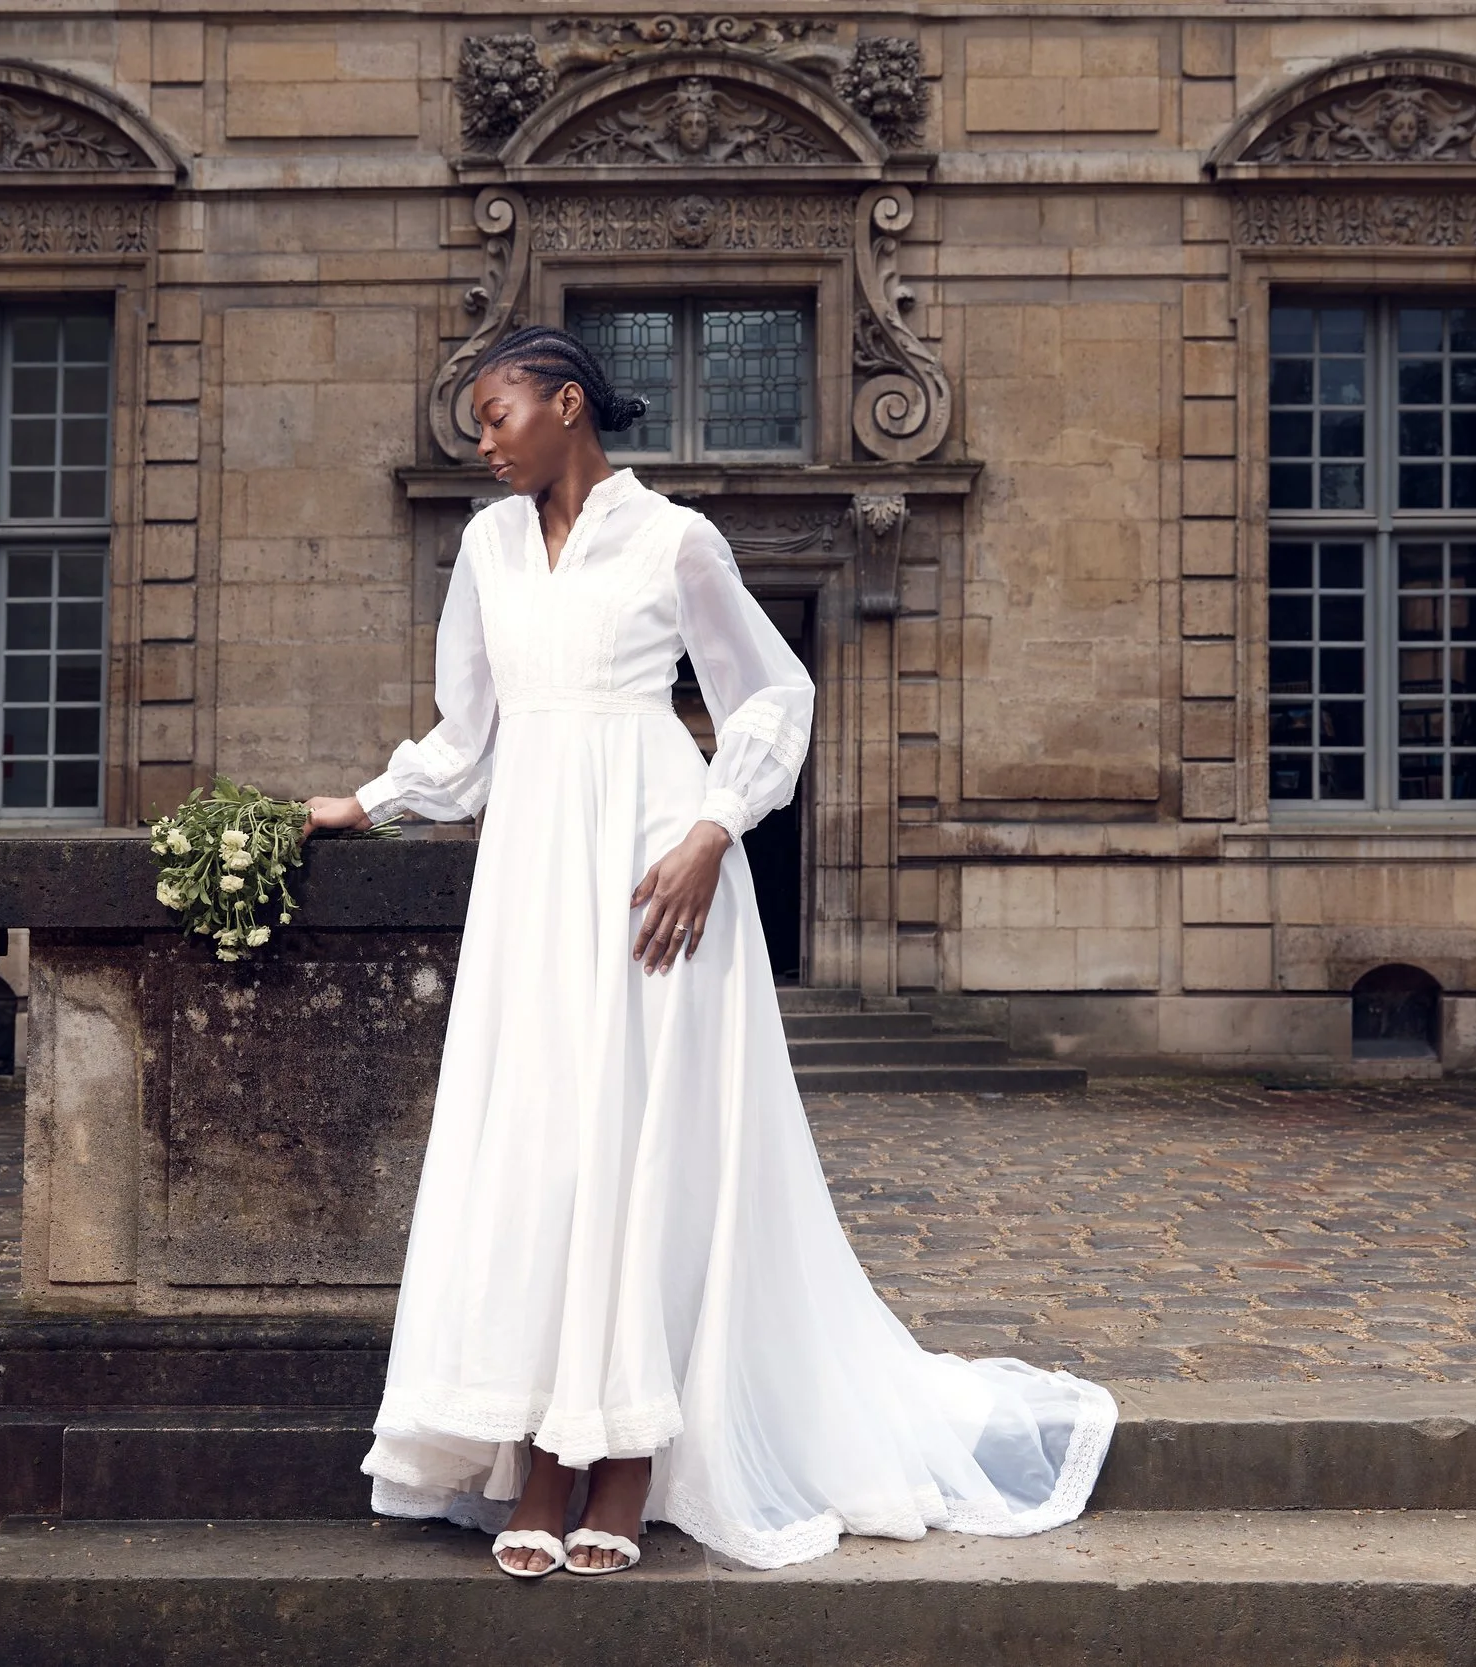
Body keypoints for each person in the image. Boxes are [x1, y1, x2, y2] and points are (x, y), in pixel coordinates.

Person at [304, 325, 1114, 1578]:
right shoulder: (484, 546)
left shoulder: (677, 538)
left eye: (495, 413)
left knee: (649, 1144)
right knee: (542, 1147)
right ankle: (545, 1449)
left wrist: (709, 830)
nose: (480, 441)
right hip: (533, 875)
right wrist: (364, 803)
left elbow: (775, 695)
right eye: (476, 423)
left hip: (651, 867)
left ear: (566, 404)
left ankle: (623, 1462)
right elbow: (469, 734)